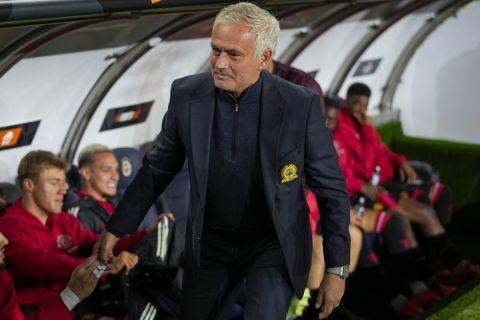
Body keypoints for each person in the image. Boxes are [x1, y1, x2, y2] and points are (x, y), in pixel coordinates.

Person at [93, 3, 350, 320]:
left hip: (273, 244)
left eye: (233, 54)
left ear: (264, 57)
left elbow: (331, 189)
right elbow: (157, 169)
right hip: (210, 242)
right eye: (216, 50)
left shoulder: (300, 104)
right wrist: (116, 229)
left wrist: (336, 268)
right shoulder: (186, 95)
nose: (220, 63)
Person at [334, 83, 480, 286]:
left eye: (364, 105)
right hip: (370, 190)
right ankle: (432, 276)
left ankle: (448, 266)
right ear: (346, 99)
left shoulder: (360, 122)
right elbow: (365, 168)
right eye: (356, 103)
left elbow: (381, 151)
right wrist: (366, 128)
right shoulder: (341, 127)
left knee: (432, 202)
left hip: (384, 182)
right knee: (406, 217)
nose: (360, 108)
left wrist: (401, 161)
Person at [0, 150, 148, 318]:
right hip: (43, 312)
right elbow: (46, 264)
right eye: (55, 182)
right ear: (29, 185)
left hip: (79, 306)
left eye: (64, 183)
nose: (63, 190)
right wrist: (103, 267)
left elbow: (97, 244)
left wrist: (144, 234)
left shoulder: (63, 219)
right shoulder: (10, 226)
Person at [0, 231, 100, 320]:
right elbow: (45, 263)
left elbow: (92, 240)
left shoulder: (2, 279)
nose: (5, 241)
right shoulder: (14, 226)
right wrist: (100, 267)